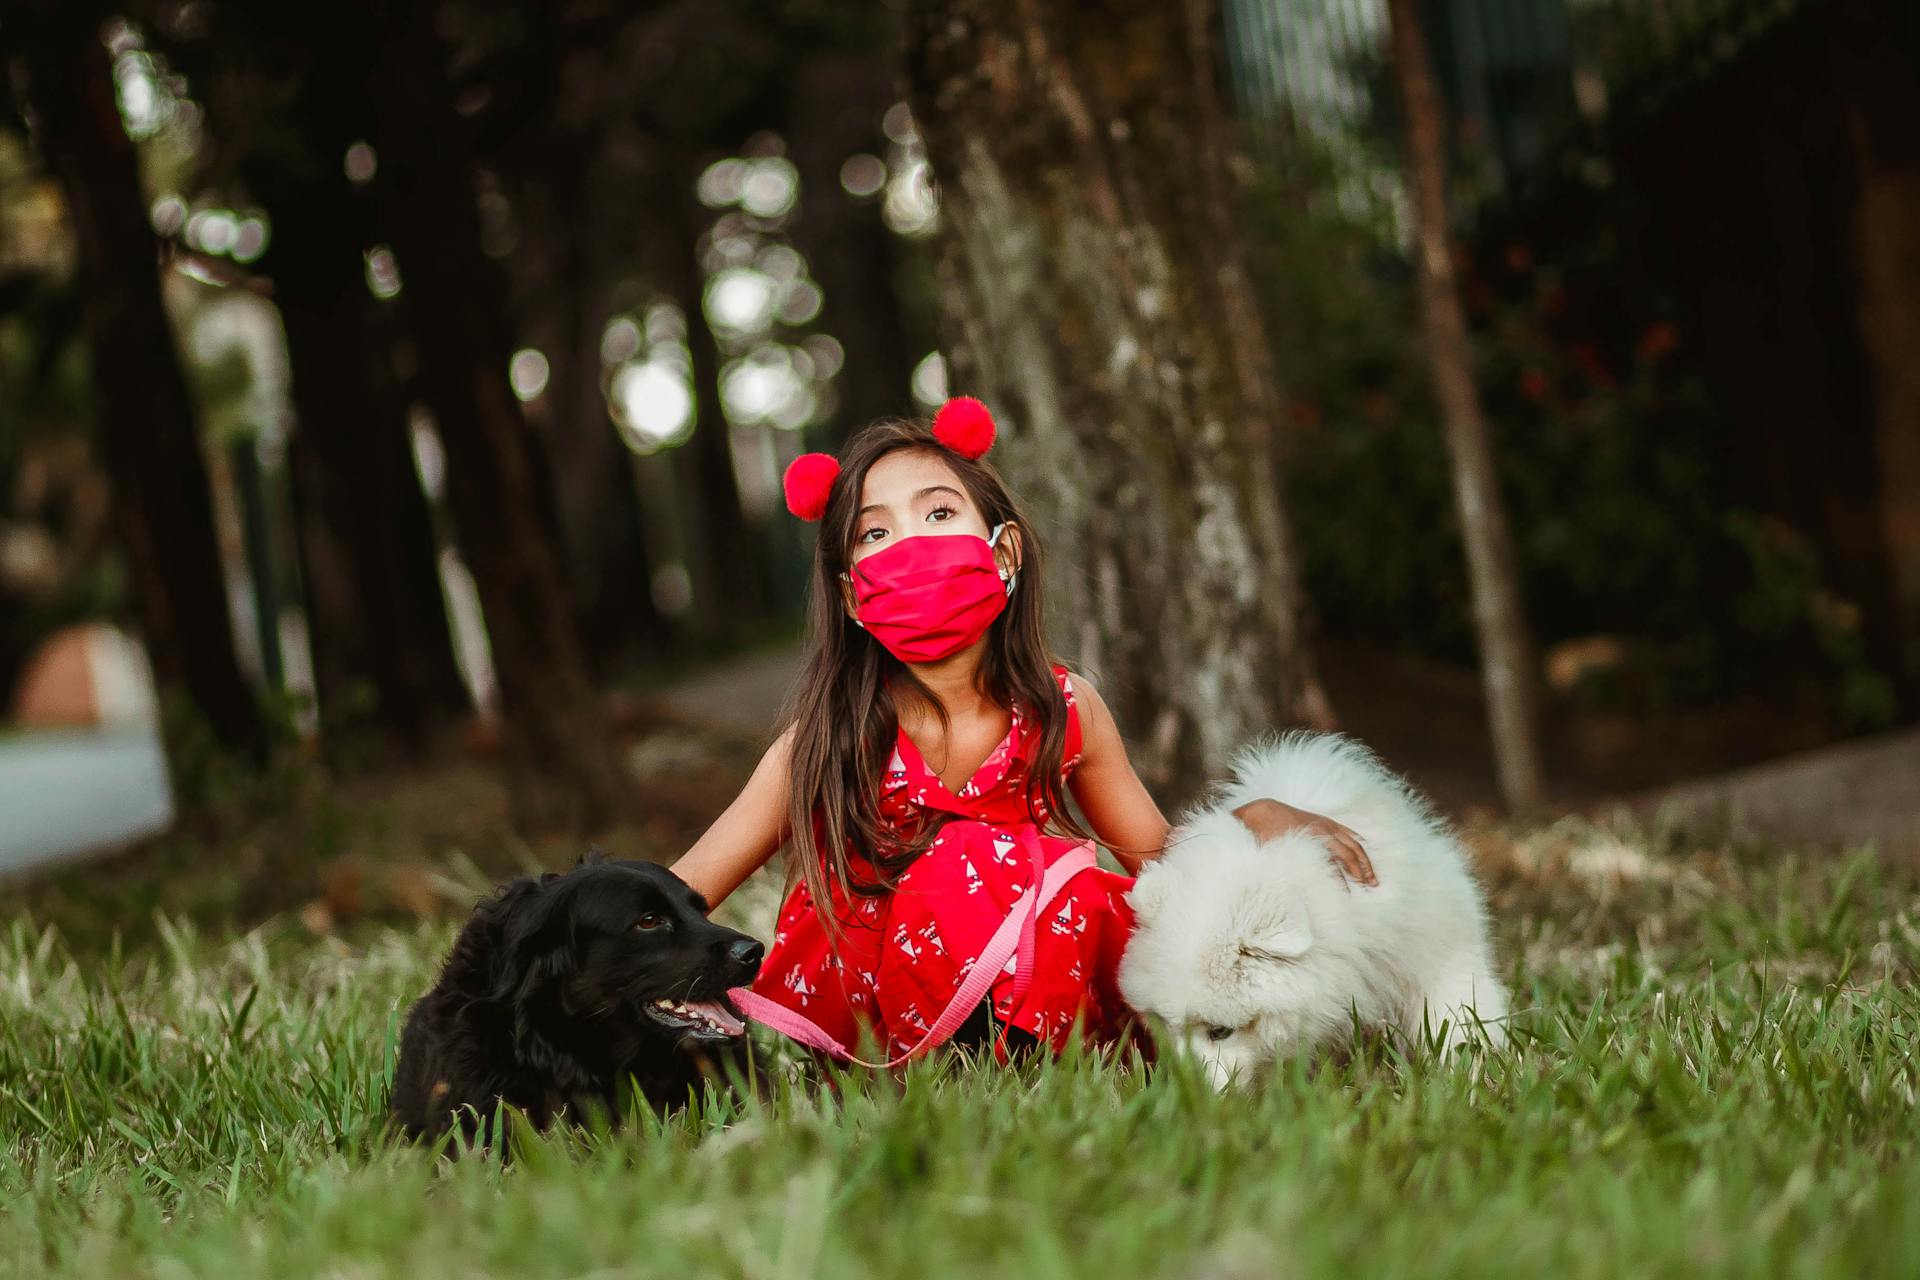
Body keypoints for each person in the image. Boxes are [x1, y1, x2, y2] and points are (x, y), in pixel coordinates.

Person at [672, 397, 1374, 1063]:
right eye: (875, 533)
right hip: (878, 1025)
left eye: (939, 512)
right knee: (958, 858)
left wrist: (1248, 816)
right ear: (854, 595)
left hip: (1035, 999)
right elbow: (682, 891)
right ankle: (947, 1071)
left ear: (1004, 554)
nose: (910, 545)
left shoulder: (1064, 708)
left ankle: (1033, 1063)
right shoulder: (824, 737)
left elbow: (1158, 864)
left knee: (1073, 878)